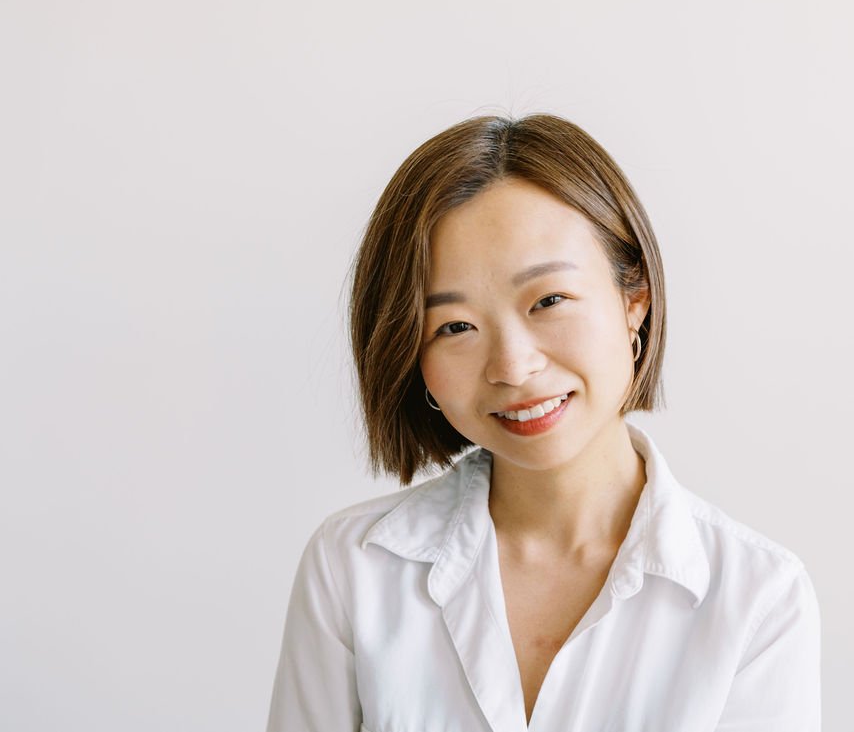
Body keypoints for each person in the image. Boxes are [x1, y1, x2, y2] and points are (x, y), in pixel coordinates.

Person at [266, 114, 821, 732]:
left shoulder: (759, 598)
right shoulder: (352, 569)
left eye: (549, 300)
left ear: (634, 299)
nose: (512, 366)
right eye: (455, 327)